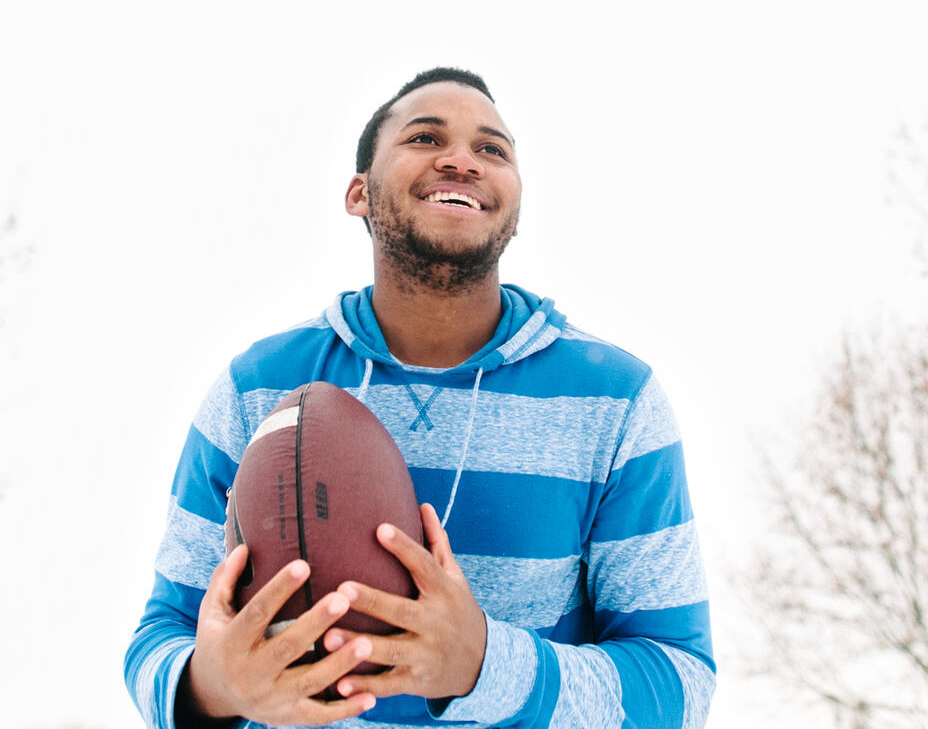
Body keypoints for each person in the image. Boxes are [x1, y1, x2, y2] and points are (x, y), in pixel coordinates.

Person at [125, 67, 716, 728]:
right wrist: (217, 684)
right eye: (425, 136)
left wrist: (485, 665)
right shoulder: (257, 387)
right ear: (359, 193)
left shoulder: (617, 401)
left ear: (514, 206)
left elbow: (680, 684)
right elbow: (160, 640)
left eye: (492, 149)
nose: (462, 159)